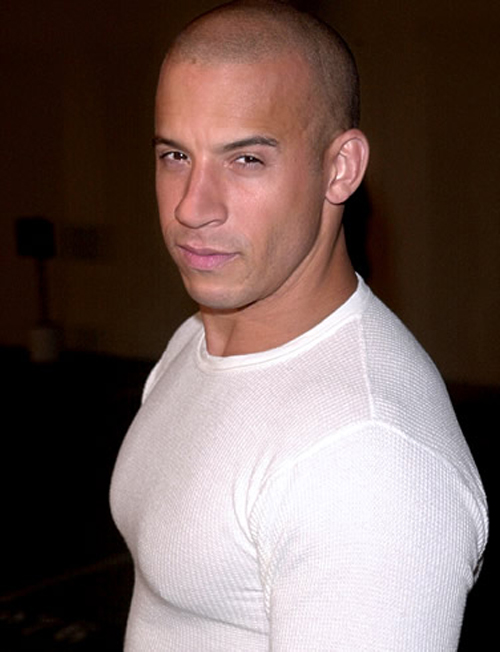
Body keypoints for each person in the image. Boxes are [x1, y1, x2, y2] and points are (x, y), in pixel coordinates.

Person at [110, 1, 488, 649]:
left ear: (340, 168)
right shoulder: (198, 338)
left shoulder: (369, 462)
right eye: (176, 155)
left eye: (246, 160)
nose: (192, 207)